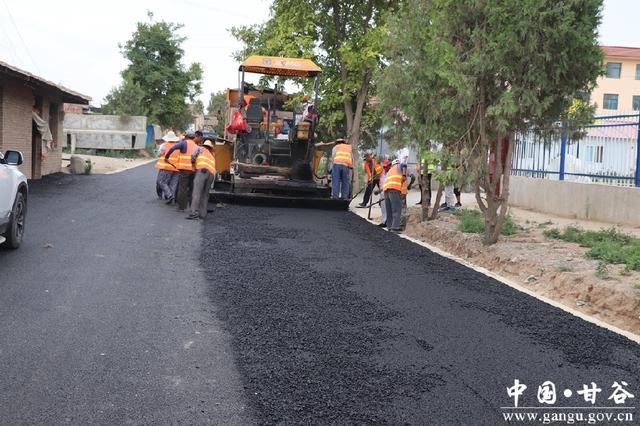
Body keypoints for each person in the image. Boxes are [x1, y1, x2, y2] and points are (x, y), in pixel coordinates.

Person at [165, 130, 203, 210]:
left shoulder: (184, 143)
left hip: (184, 169)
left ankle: (182, 207)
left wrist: (167, 156)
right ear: (193, 137)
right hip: (193, 170)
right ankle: (192, 206)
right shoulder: (196, 145)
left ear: (186, 136)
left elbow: (173, 148)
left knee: (183, 188)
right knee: (192, 188)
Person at [187, 140, 216, 220]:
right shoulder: (211, 154)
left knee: (196, 193)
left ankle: (194, 213)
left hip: (202, 171)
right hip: (211, 174)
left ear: (204, 145)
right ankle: (202, 215)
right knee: (205, 195)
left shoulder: (199, 148)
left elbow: (192, 156)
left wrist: (193, 166)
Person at [155, 131, 180, 201]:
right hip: (176, 168)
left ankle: (169, 195)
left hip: (166, 167)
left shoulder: (164, 145)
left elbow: (159, 154)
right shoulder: (178, 146)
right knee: (173, 183)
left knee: (161, 182)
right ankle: (171, 196)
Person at [383, 159, 405, 233]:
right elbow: (404, 164)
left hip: (386, 190)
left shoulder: (390, 170)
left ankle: (389, 226)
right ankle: (395, 228)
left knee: (389, 210)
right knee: (397, 209)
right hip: (394, 189)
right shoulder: (399, 166)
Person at [377, 159, 391, 227]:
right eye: (384, 167)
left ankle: (387, 222)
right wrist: (379, 191)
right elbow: (381, 183)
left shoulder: (390, 174)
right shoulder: (383, 174)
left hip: (387, 192)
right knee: (383, 208)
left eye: (386, 167)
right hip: (382, 193)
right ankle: (384, 221)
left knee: (387, 208)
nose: (385, 168)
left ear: (389, 166)